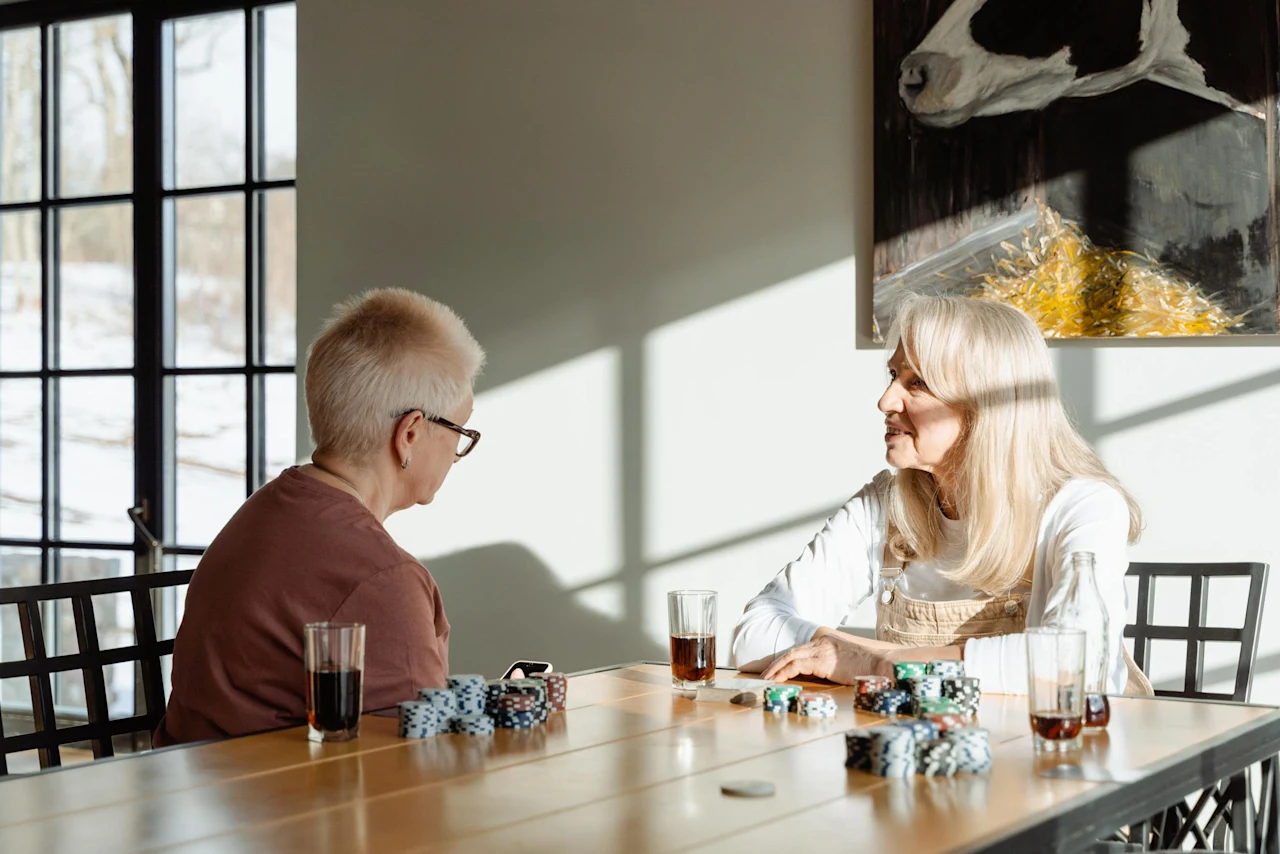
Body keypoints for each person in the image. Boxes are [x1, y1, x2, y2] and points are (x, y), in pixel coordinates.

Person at [731, 294, 1152, 695]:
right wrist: (860, 654)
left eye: (917, 383)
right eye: (894, 376)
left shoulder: (1082, 506)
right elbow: (753, 634)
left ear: (986, 404)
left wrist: (877, 662)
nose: (885, 401)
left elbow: (1072, 662)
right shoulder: (884, 505)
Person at [154, 288, 485, 745]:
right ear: (409, 433)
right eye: (459, 431)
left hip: (190, 781)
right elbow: (418, 763)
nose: (457, 452)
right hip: (282, 791)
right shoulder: (384, 578)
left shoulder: (263, 511)